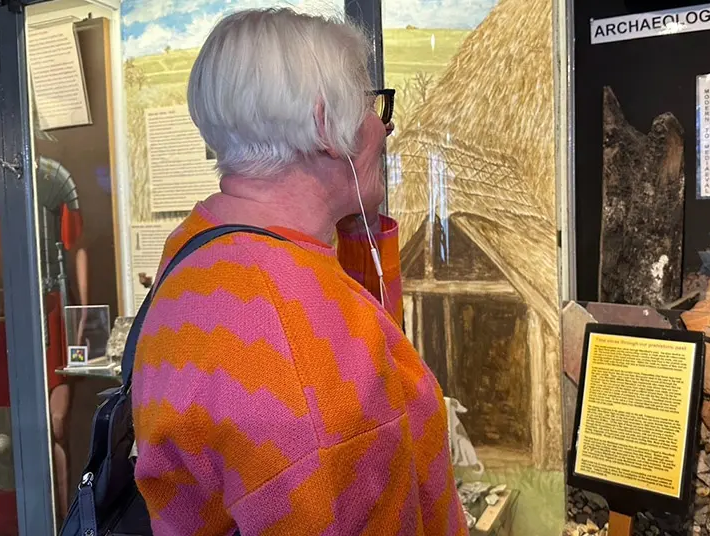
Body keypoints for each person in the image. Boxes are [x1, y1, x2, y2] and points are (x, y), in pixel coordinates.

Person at [131, 8, 467, 536]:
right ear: (324, 127)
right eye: (368, 104)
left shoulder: (204, 246)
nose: (381, 125)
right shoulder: (298, 344)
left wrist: (359, 225)